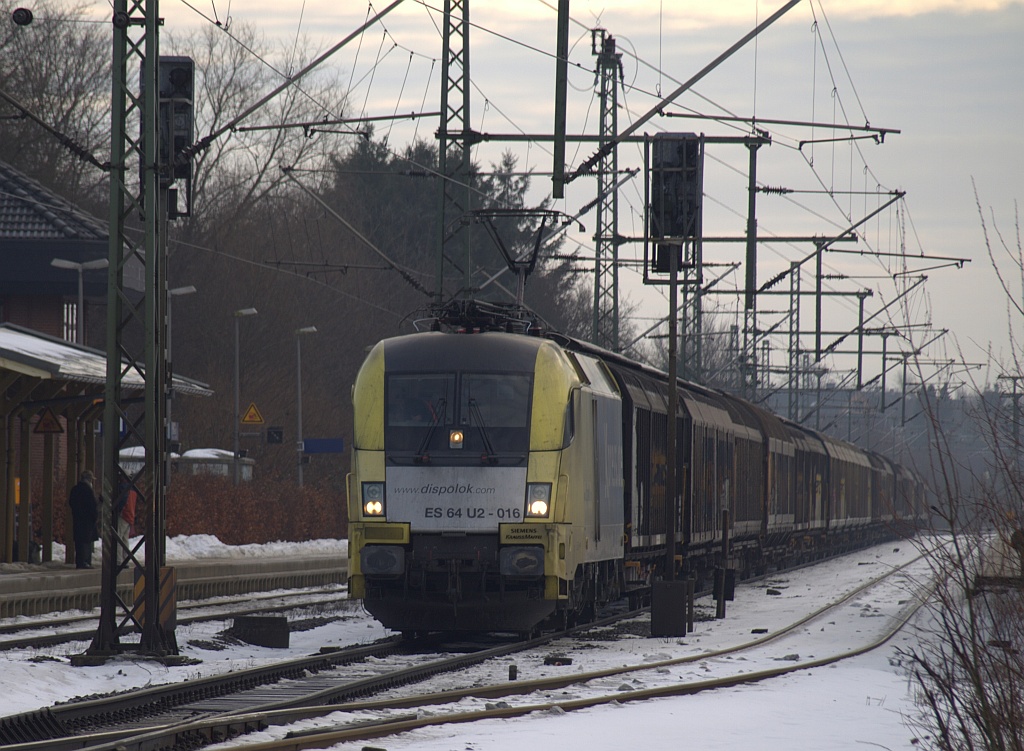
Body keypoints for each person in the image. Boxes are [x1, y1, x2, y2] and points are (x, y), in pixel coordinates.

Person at [68, 470, 98, 569]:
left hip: (77, 519)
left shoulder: (75, 489)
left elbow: (71, 503)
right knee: (86, 542)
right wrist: (95, 517)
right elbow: (92, 506)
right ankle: (85, 561)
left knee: (79, 541)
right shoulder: (88, 491)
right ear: (88, 480)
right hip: (87, 521)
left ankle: (79, 561)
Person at [114, 479, 138, 566]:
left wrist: (117, 510)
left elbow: (122, 501)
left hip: (123, 515)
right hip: (130, 516)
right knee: (125, 540)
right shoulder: (133, 490)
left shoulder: (123, 488)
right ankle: (126, 559)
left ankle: (119, 560)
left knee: (119, 538)